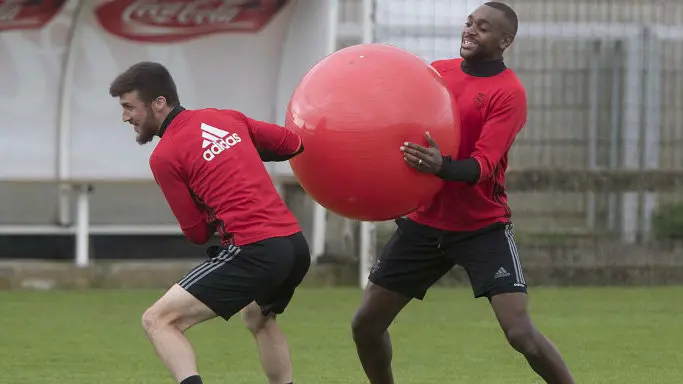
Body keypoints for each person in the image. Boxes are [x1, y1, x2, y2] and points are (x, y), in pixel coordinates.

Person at [351, 3, 575, 384]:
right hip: (423, 224)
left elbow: (481, 166)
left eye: (483, 27)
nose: (470, 30)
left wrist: (440, 166)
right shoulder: (437, 73)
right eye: (470, 22)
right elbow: (397, 124)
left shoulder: (509, 93)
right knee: (365, 326)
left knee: (520, 334)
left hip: (481, 227)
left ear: (506, 41)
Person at [108, 61, 310, 384]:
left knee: (158, 320)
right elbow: (292, 143)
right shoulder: (228, 118)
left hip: (254, 250)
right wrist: (238, 152)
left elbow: (197, 233)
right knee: (258, 318)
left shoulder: (164, 156)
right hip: (295, 246)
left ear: (159, 103)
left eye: (130, 107)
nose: (125, 117)